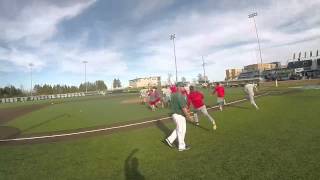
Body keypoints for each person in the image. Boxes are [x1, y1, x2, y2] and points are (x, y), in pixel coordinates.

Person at [165, 83, 194, 152]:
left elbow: (171, 103)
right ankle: (181, 146)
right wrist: (189, 117)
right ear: (178, 87)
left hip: (174, 114)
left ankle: (169, 140)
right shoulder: (180, 95)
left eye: (183, 86)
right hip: (179, 115)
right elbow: (183, 108)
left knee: (179, 128)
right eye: (182, 86)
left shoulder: (173, 94)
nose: (183, 87)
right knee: (182, 131)